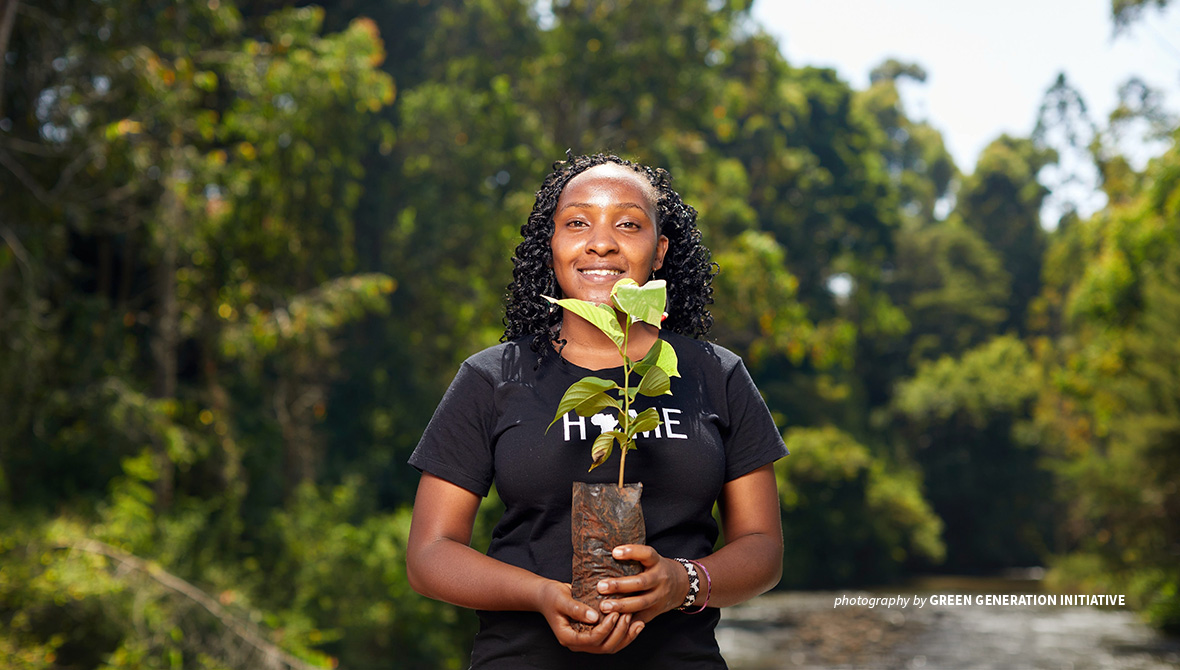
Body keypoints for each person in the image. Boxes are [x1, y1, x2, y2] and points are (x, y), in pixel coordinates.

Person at [406, 153, 788, 669]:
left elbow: (763, 548)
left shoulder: (713, 375)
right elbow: (430, 554)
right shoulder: (494, 377)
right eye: (577, 223)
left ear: (660, 252)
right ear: (552, 248)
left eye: (628, 224)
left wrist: (683, 582)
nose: (601, 241)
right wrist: (540, 594)